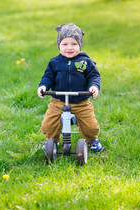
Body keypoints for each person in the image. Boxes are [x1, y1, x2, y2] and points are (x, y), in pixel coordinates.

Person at [37, 23, 103, 152]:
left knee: (90, 126)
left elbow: (94, 76)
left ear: (80, 45)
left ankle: (92, 140)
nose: (69, 48)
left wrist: (94, 86)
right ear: (59, 45)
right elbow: (48, 76)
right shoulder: (55, 62)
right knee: (48, 125)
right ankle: (52, 141)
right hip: (58, 101)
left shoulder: (85, 61)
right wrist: (43, 86)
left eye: (74, 44)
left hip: (81, 101)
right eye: (65, 44)